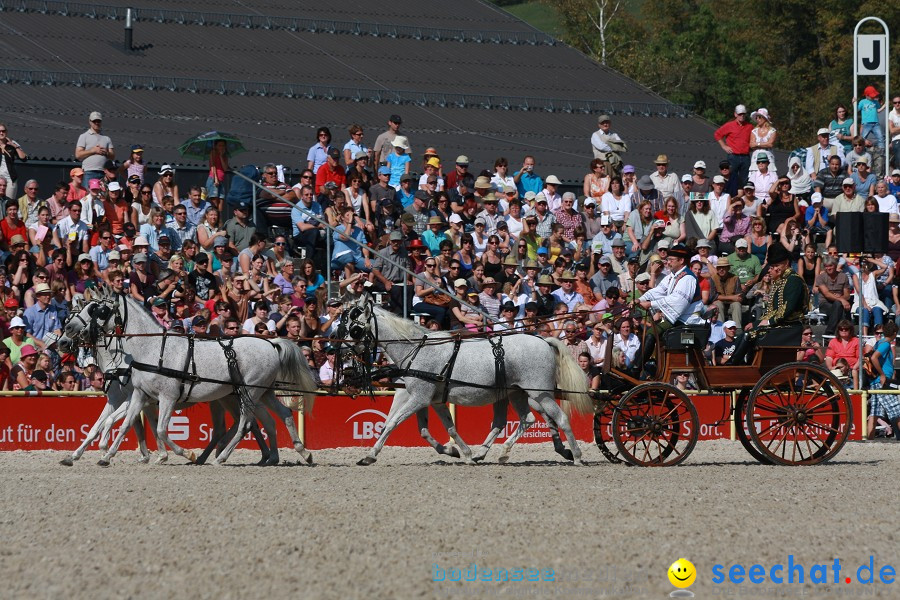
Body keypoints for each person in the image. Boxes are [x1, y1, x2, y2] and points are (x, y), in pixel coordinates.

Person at [638, 244, 703, 330]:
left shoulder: (688, 278)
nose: (668, 262)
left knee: (652, 334)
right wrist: (640, 299)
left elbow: (677, 301)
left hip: (687, 319)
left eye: (671, 260)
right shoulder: (673, 275)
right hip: (678, 318)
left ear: (681, 260)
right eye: (668, 259)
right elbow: (660, 290)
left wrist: (650, 304)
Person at [867, 321, 900, 439]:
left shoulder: (879, 342)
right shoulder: (885, 344)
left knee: (874, 414)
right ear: (895, 333)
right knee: (896, 410)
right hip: (883, 382)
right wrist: (882, 374)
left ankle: (869, 439)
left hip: (876, 383)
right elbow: (874, 357)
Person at [714, 104, 753, 186]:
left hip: (746, 156)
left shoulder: (750, 126)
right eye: (740, 114)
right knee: (731, 177)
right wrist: (724, 146)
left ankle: (742, 196)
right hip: (733, 156)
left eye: (743, 114)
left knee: (745, 178)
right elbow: (717, 134)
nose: (742, 116)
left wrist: (752, 147)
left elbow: (754, 138)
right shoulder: (729, 125)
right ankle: (731, 196)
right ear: (735, 114)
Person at [74, 111, 114, 189]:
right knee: (88, 195)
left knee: (103, 196)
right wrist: (93, 151)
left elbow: (112, 156)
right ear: (90, 122)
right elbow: (78, 155)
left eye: (98, 121)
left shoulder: (106, 138)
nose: (96, 123)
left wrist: (106, 152)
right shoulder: (83, 136)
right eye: (94, 121)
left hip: (104, 172)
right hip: (89, 172)